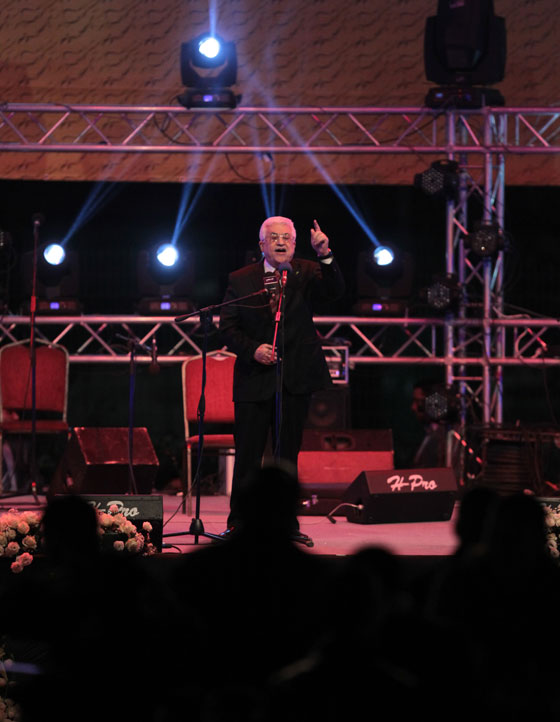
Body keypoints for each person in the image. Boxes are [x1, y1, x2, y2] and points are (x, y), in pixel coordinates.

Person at [219, 216, 345, 541]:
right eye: (274, 237)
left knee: (287, 457)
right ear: (262, 244)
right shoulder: (241, 279)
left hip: (295, 378)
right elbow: (227, 327)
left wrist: (325, 254)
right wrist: (253, 350)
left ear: (294, 243)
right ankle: (239, 524)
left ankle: (286, 526)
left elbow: (335, 291)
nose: (280, 242)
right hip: (254, 380)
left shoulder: (306, 272)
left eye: (286, 238)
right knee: (248, 457)